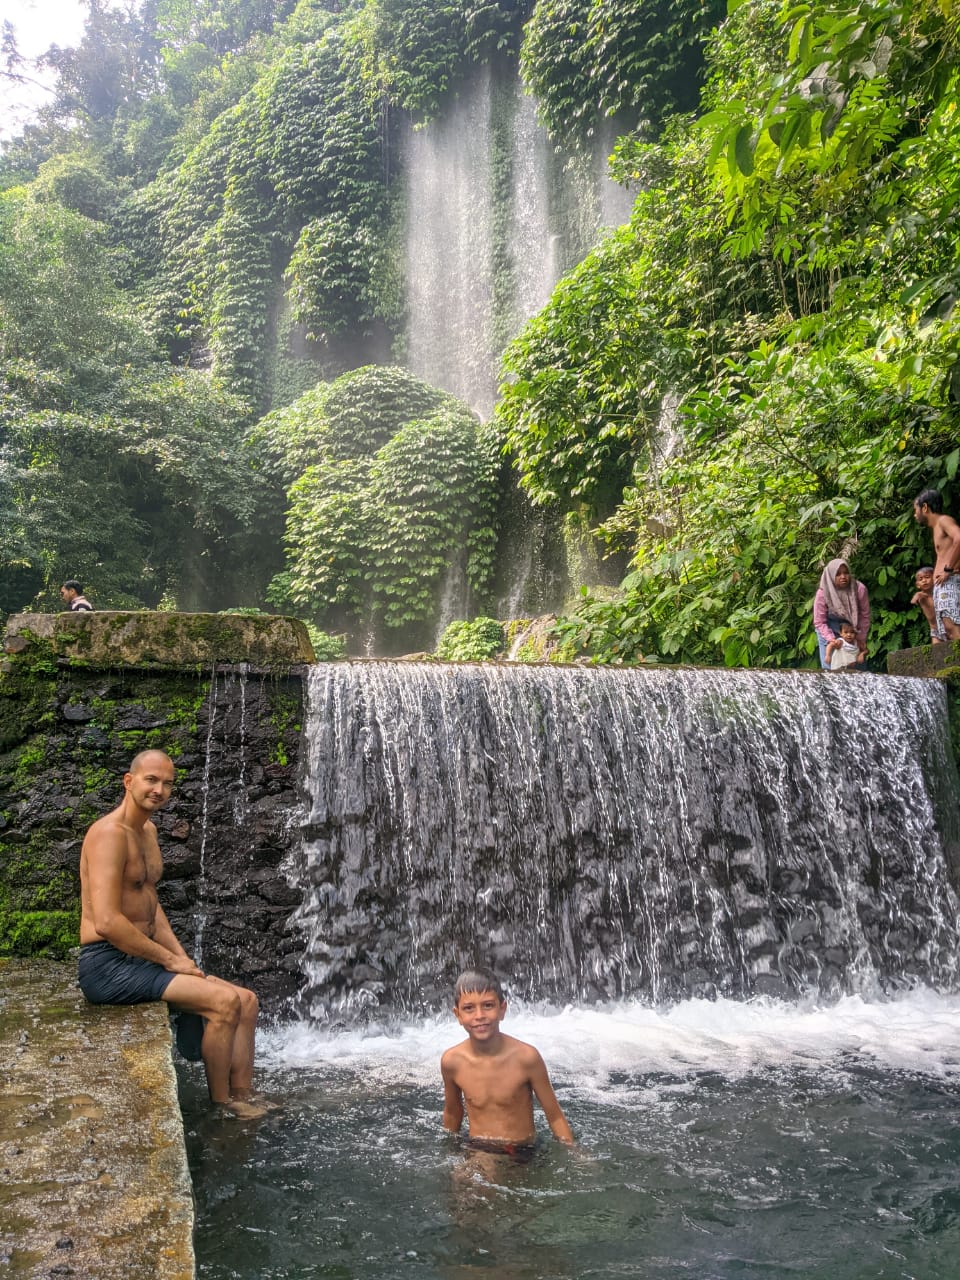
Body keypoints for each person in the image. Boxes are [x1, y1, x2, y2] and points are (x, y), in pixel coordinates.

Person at [78, 749, 268, 1118]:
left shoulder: (146, 831)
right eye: (151, 780)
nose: (159, 789)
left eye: (167, 783)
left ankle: (244, 1094)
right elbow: (107, 921)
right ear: (129, 781)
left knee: (246, 1000)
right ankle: (223, 1106)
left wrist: (182, 959)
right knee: (223, 1003)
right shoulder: (108, 835)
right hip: (107, 965)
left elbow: (151, 906)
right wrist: (168, 960)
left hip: (140, 959)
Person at [441, 967, 574, 1157]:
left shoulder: (526, 1058)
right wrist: (447, 1151)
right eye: (469, 1008)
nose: (479, 1015)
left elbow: (554, 1114)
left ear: (502, 1009)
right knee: (467, 1180)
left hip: (523, 1150)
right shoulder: (452, 1061)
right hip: (479, 1147)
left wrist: (574, 1153)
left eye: (488, 1005)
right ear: (458, 1015)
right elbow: (453, 1112)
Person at [913, 488, 960, 642]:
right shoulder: (936, 528)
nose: (915, 514)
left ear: (925, 507)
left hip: (950, 580)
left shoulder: (943, 520)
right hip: (943, 584)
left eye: (916, 510)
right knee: (946, 630)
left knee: (952, 626)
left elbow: (959, 538)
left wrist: (948, 569)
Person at [812, 559, 870, 669]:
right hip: (828, 629)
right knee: (831, 668)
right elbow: (819, 622)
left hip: (852, 630)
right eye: (838, 574)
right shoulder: (823, 593)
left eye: (846, 573)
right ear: (831, 576)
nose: (843, 576)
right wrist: (831, 639)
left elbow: (864, 616)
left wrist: (861, 638)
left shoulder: (859, 589)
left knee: (857, 666)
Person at [911, 566, 945, 643]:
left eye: (927, 577)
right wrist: (916, 598)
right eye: (921, 579)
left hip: (948, 627)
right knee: (937, 651)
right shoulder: (921, 595)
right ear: (917, 585)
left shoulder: (942, 593)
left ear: (935, 578)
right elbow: (914, 599)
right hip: (935, 631)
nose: (924, 580)